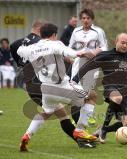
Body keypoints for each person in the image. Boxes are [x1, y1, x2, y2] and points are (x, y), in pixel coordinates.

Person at [17, 23, 97, 151]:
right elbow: (70, 52)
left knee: (46, 113)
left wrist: (27, 43)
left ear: (41, 34)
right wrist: (83, 53)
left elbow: (18, 49)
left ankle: (27, 135)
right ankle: (80, 130)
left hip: (46, 90)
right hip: (61, 87)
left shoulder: (31, 48)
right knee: (92, 96)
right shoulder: (56, 44)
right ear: (54, 35)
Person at [69, 8, 108, 128]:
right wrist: (72, 56)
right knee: (77, 94)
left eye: (88, 18)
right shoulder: (76, 31)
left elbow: (104, 47)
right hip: (77, 66)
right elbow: (70, 47)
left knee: (88, 93)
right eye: (83, 18)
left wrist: (94, 52)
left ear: (92, 19)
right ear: (81, 19)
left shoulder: (98, 32)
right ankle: (82, 117)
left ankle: (85, 118)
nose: (85, 20)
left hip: (92, 66)